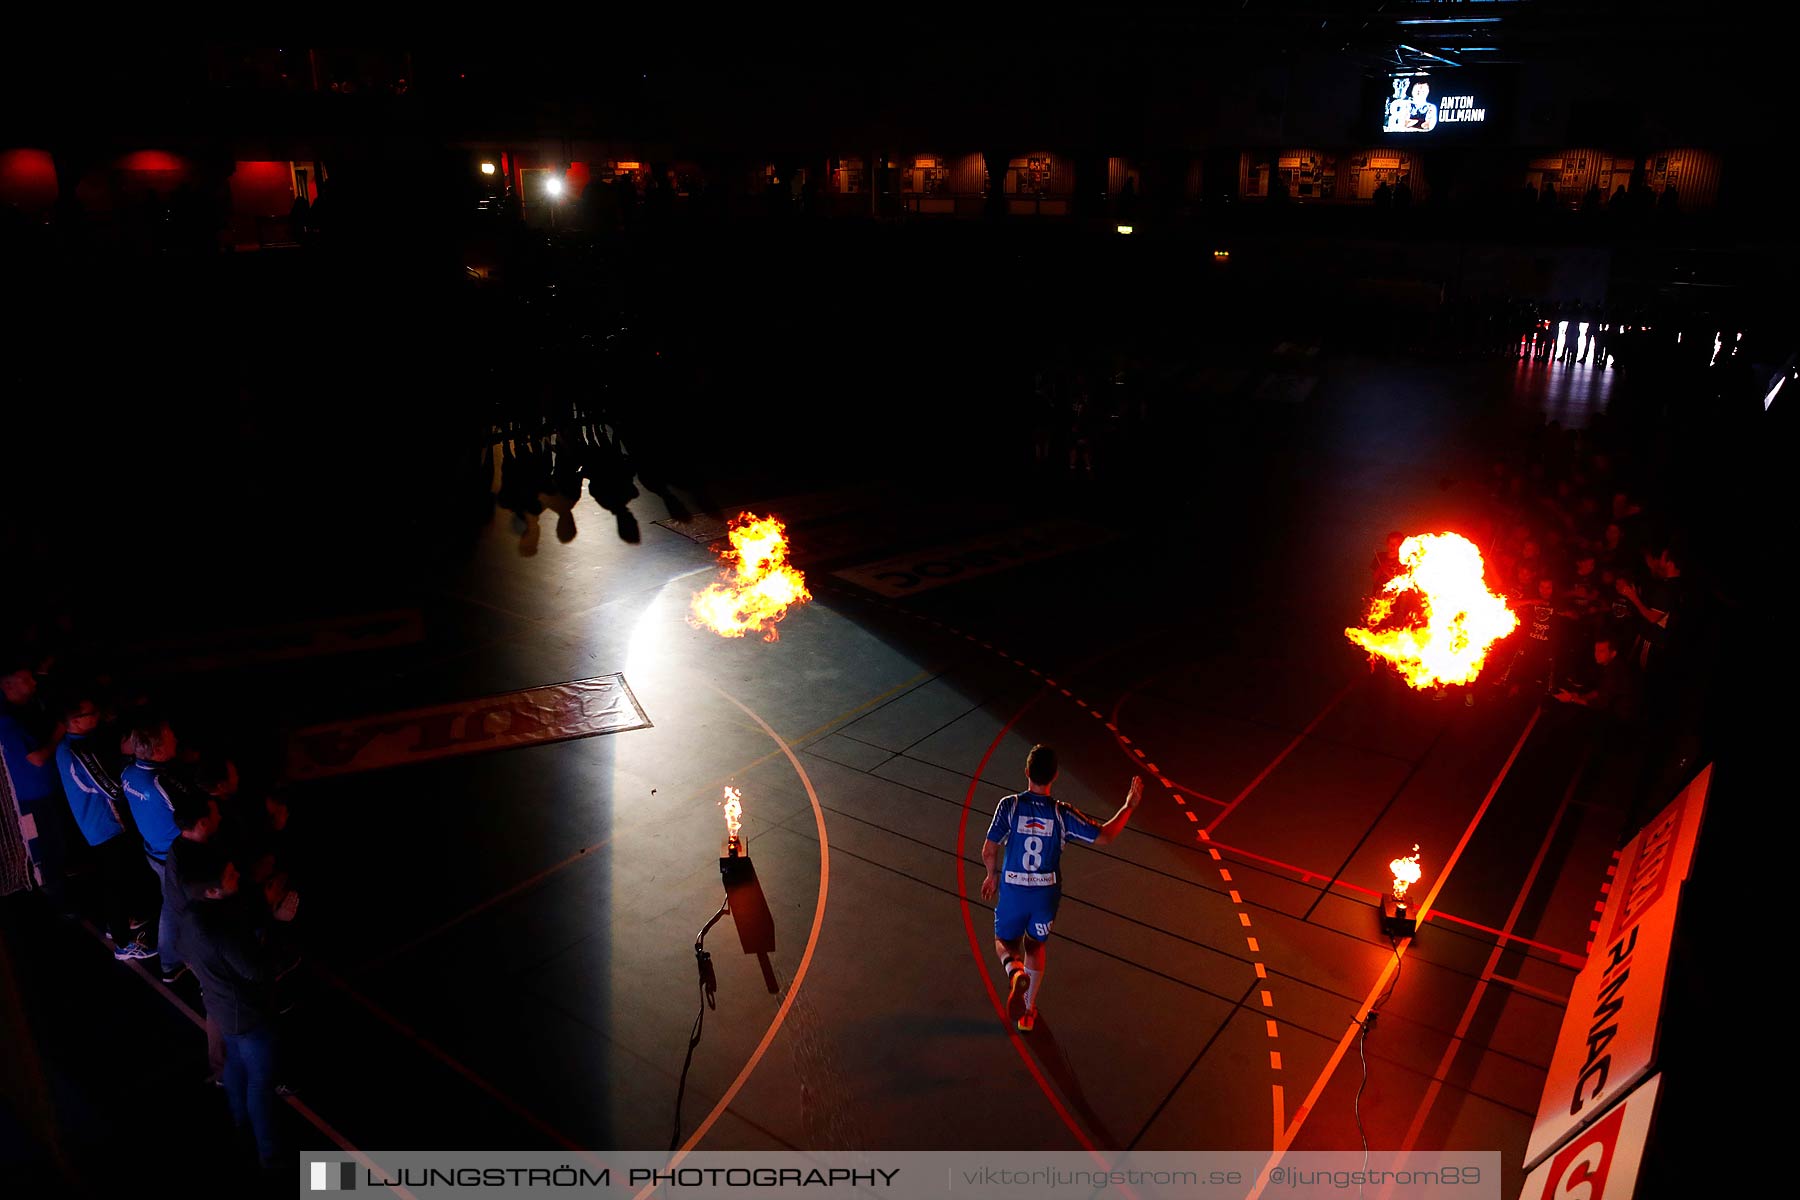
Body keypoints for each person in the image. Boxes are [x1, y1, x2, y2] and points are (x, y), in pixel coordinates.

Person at [981, 746, 1141, 1033]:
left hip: (1014, 888)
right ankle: (1028, 1011)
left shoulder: (1010, 806)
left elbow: (989, 849)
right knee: (1034, 945)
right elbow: (1105, 836)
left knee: (1004, 943)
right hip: (1046, 894)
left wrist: (992, 875)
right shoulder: (1061, 813)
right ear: (1055, 775)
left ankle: (1013, 971)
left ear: (1027, 772)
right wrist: (1128, 806)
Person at [180, 836, 283, 1170]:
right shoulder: (221, 930)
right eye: (230, 876)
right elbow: (256, 970)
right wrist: (272, 919)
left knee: (235, 1067)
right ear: (213, 891)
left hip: (221, 1008)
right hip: (248, 1015)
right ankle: (269, 1153)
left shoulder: (190, 917)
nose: (236, 875)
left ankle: (240, 1123)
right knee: (261, 1083)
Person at [55, 690, 154, 957]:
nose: (97, 717)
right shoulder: (78, 750)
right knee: (115, 883)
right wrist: (127, 759)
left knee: (117, 880)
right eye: (91, 714)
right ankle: (123, 943)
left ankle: (118, 923)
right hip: (105, 826)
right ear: (75, 721)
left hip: (101, 825)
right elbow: (111, 788)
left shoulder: (75, 745)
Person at [122, 713, 203, 983]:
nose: (177, 740)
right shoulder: (162, 783)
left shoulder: (128, 773)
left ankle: (173, 960)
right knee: (175, 909)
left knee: (170, 906)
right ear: (157, 751)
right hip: (174, 857)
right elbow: (192, 812)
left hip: (153, 852)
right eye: (171, 739)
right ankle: (170, 963)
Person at [1, 656, 70, 910]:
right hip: (32, 799)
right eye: (26, 680)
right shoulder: (9, 723)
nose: (32, 684)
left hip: (44, 792)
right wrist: (59, 732)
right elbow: (38, 758)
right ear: (8, 686)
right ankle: (57, 901)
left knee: (55, 844)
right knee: (47, 846)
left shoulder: (20, 710)